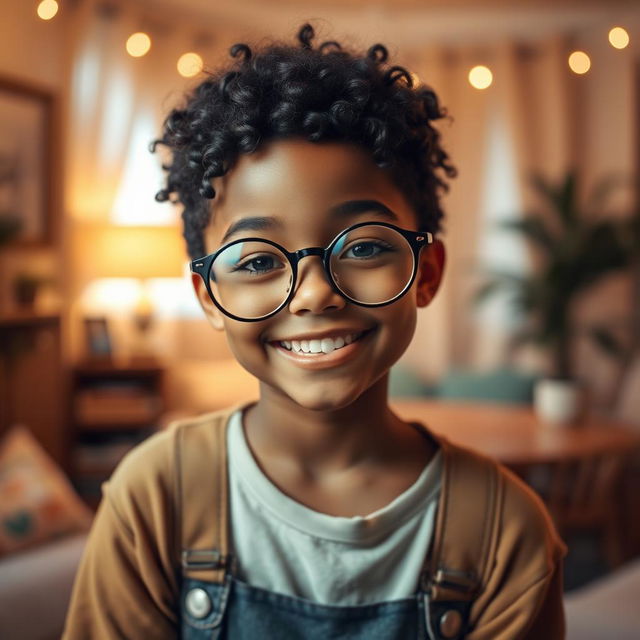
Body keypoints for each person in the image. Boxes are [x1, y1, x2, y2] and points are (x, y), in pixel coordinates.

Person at [63, 24, 566, 639]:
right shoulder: (154, 499)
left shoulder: (505, 530)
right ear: (210, 297)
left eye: (363, 247)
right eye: (256, 260)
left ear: (425, 272)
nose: (316, 292)